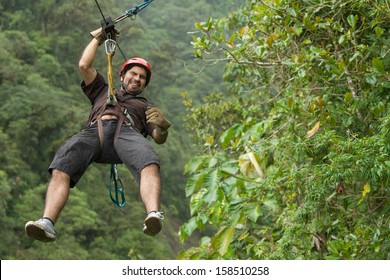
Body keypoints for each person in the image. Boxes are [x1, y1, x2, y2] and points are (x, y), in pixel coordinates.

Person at [24, 27, 171, 242]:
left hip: (127, 135)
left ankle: (152, 214)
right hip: (96, 130)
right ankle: (47, 223)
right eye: (133, 73)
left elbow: (158, 137)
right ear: (122, 76)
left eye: (142, 77)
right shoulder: (103, 89)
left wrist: (163, 127)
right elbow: (85, 65)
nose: (137, 79)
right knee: (61, 166)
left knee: (149, 161)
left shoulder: (145, 106)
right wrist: (99, 38)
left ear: (145, 84)